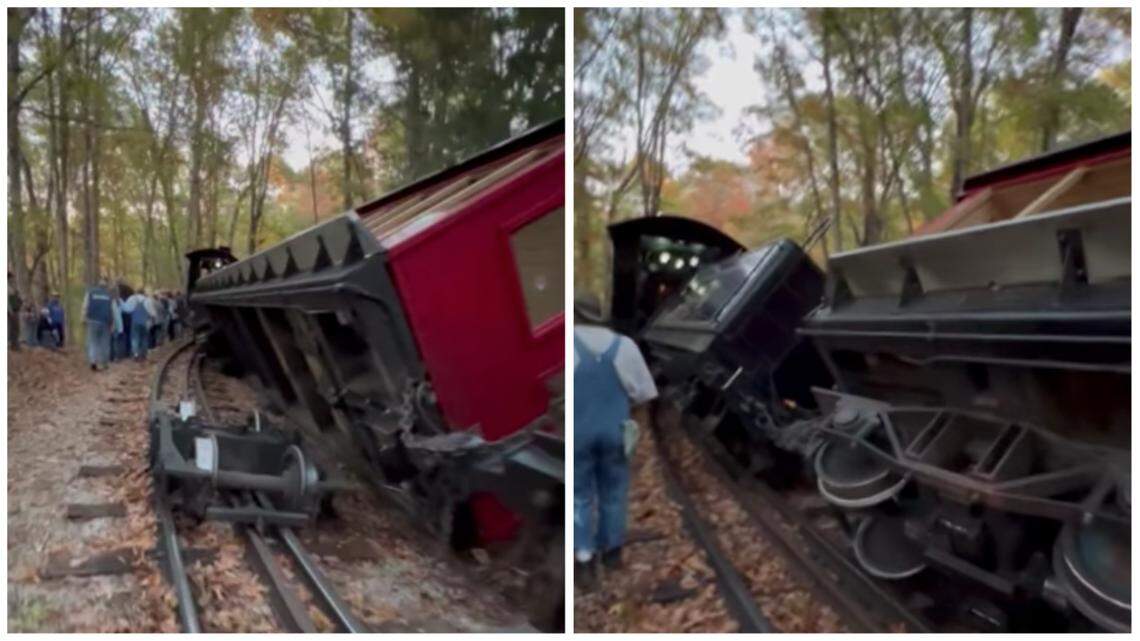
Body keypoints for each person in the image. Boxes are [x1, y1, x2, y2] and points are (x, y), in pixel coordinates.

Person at [573, 295, 658, 587]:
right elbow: (645, 394)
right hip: (614, 433)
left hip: (578, 434)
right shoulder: (625, 346)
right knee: (614, 492)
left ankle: (583, 560)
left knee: (580, 496)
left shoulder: (566, 343)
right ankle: (611, 553)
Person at [82, 280, 115, 370]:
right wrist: (113, 323)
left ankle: (93, 361)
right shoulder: (109, 295)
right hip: (105, 321)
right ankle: (104, 363)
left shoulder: (91, 293)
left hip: (92, 320)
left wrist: (83, 318)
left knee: (93, 342)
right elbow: (112, 310)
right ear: (105, 286)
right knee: (104, 343)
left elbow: (85, 305)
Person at [122, 287, 154, 361]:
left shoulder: (132, 298)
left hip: (135, 321)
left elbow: (127, 309)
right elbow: (152, 312)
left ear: (136, 292)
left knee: (135, 338)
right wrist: (152, 318)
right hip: (145, 322)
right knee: (144, 338)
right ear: (143, 292)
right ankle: (143, 354)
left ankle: (135, 354)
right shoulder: (148, 300)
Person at [8, 272, 21, 352]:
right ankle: (13, 345)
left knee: (16, 327)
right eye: (11, 277)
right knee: (14, 327)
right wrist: (10, 310)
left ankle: (15, 344)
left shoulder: (11, 287)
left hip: (14, 309)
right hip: (11, 310)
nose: (13, 279)